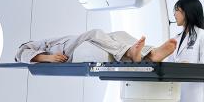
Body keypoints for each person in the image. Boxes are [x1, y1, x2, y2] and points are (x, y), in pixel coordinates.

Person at [16, 28, 178, 64]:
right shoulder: (30, 46)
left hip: (69, 43)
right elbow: (20, 54)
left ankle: (150, 53)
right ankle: (131, 52)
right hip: (63, 51)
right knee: (94, 33)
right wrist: (48, 58)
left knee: (118, 34)